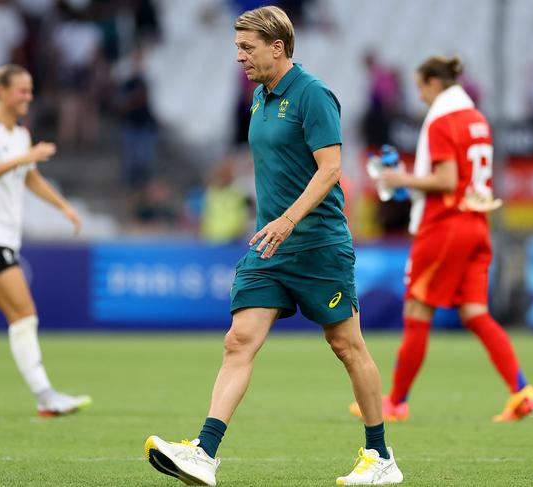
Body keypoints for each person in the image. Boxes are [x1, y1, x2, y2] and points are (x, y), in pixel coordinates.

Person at [144, 6, 403, 486]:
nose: (239, 56)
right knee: (238, 341)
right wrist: (273, 222)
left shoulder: (313, 95)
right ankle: (204, 451)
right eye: (238, 47)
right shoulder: (259, 99)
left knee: (346, 345)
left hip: (318, 244)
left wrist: (288, 218)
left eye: (247, 47)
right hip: (269, 245)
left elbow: (330, 169)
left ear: (277, 47)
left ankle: (381, 457)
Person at [350, 56, 533, 423]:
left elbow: (446, 180)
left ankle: (395, 402)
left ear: (435, 84)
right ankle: (522, 391)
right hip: (476, 224)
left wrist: (401, 179)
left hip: (444, 226)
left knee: (417, 311)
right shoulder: (477, 119)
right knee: (475, 312)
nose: (420, 96)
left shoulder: (441, 119)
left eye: (421, 87)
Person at [0, 64, 91, 416]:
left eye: (31, 89)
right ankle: (45, 395)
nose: (28, 97)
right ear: (2, 91)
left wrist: (64, 207)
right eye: (22, 90)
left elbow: (30, 178)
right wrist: (26, 157)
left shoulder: (19, 132)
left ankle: (46, 396)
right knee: (24, 313)